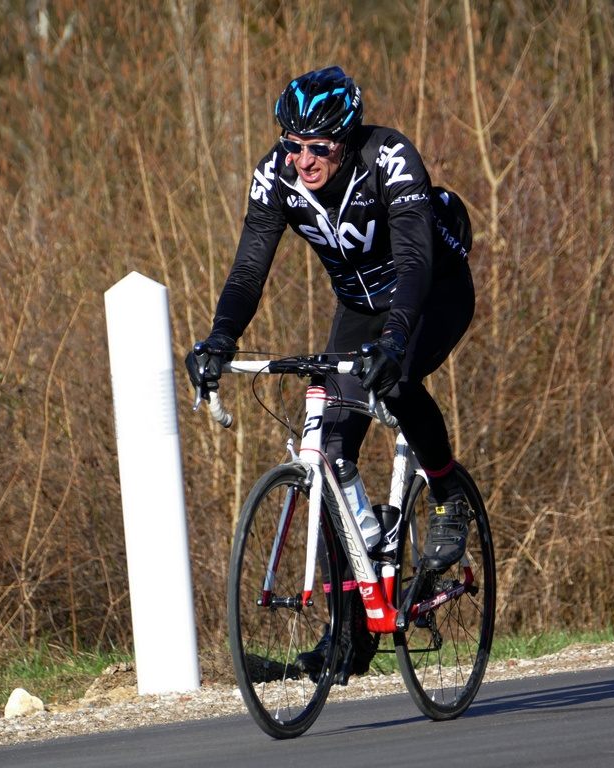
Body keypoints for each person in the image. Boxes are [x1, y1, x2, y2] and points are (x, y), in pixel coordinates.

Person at [186, 65, 476, 678]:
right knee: (329, 453)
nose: (303, 160)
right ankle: (350, 635)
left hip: (430, 293)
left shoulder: (389, 158)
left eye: (318, 147)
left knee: (397, 381)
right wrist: (220, 337)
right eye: (293, 144)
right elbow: (248, 269)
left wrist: (395, 340)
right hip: (359, 309)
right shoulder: (277, 176)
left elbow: (416, 260)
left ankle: (448, 494)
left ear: (345, 139)